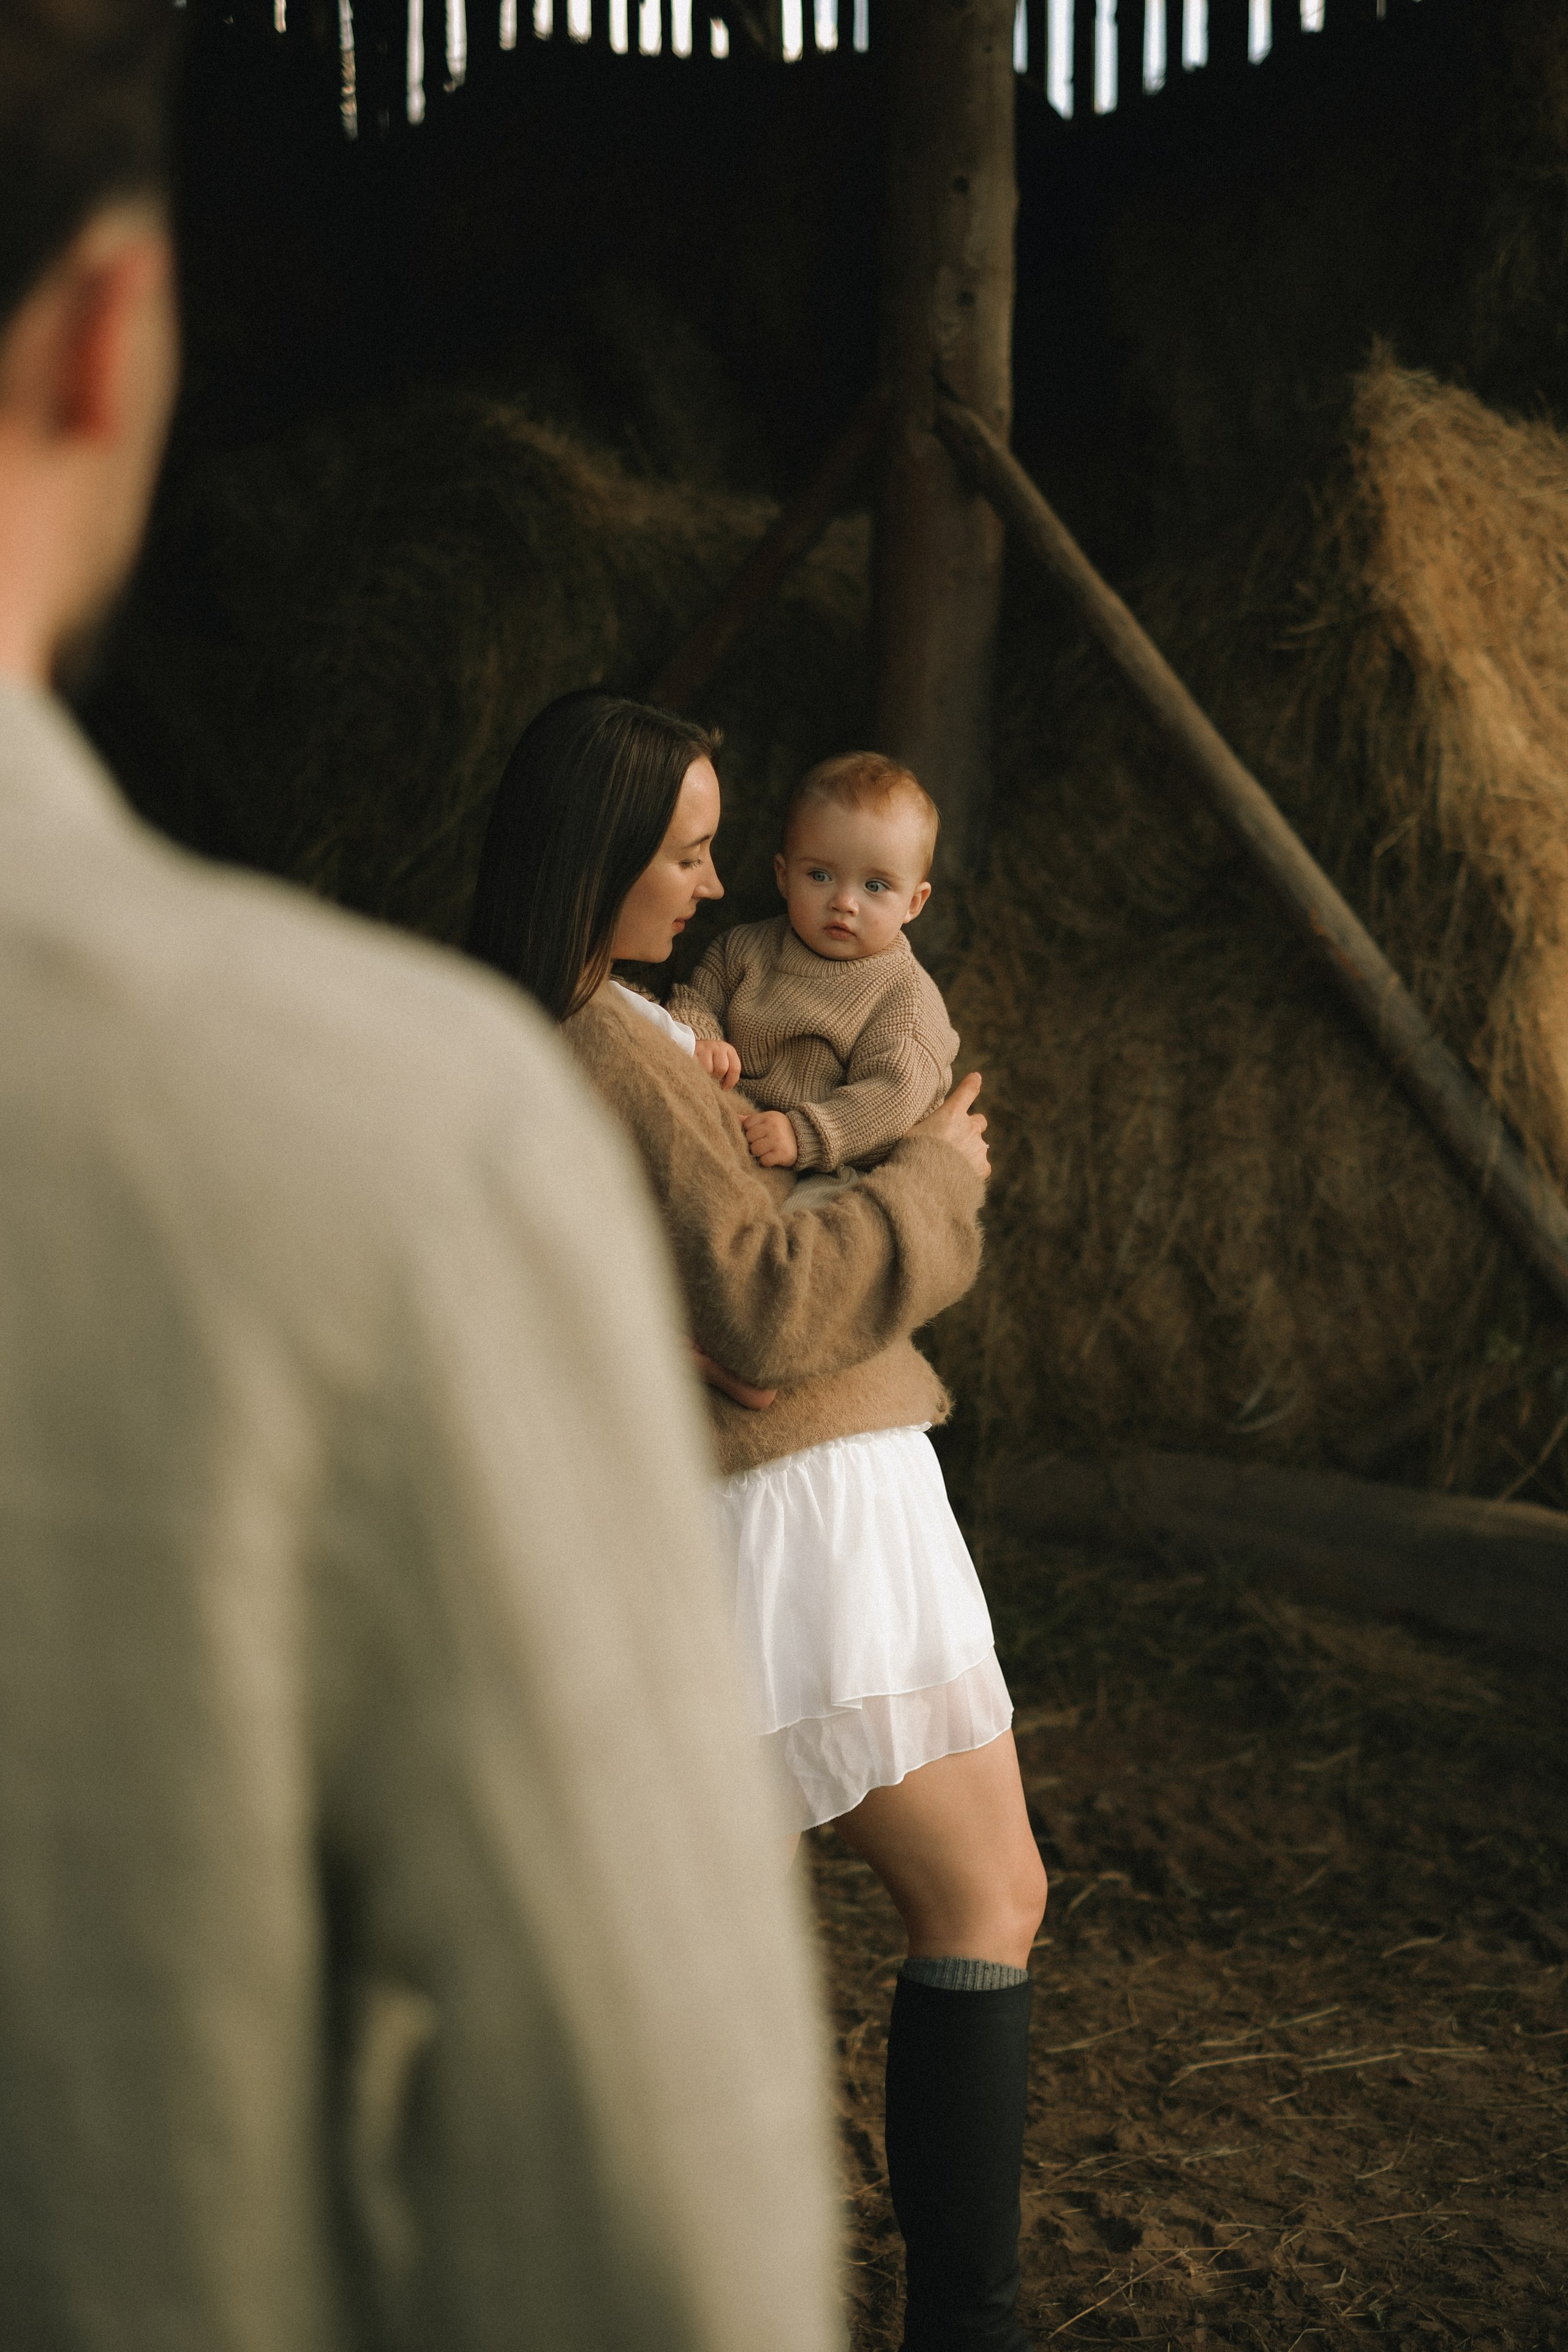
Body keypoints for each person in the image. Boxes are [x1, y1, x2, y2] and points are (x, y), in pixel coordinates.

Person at [0, 5, 842, 2345]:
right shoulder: (403, 1154)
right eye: (679, 852)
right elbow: (654, 2236)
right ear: (107, 341)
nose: (711, 883)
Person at [468, 691, 1050, 2352]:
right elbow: (771, 1301)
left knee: (736, 1936)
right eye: (693, 852)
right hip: (806, 1504)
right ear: (603, 858)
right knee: (980, 1900)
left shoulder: (618, 1029)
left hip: (800, 1487)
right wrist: (940, 1172)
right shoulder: (602, 1041)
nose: (717, 887)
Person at [668, 752, 957, 1184]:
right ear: (784, 876)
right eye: (820, 876)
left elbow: (892, 1100)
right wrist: (700, 1035)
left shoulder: (904, 1002)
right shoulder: (742, 950)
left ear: (914, 903)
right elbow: (695, 998)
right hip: (733, 1131)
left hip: (834, 1166)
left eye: (875, 886)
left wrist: (805, 1134)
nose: (845, 901)